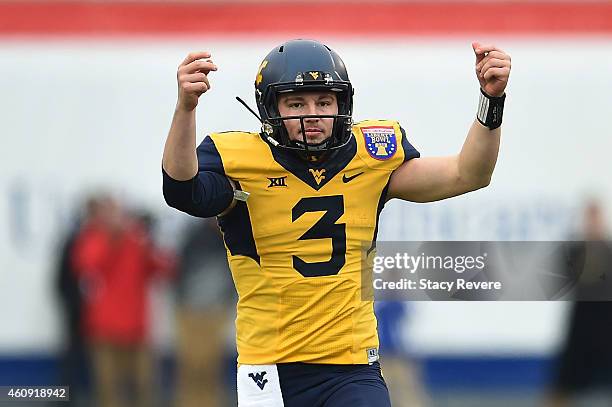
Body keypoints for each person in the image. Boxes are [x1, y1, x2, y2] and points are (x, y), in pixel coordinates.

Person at [162, 39, 511, 406]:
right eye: (296, 103)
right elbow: (181, 189)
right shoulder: (242, 161)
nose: (312, 114)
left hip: (353, 365)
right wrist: (186, 108)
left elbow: (468, 173)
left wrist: (491, 101)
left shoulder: (369, 156)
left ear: (342, 104)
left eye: (324, 102)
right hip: (272, 367)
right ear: (269, 107)